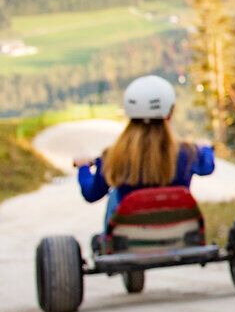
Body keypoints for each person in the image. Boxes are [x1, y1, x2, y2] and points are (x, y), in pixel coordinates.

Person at [76, 75, 216, 226]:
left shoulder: (112, 157)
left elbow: (91, 194)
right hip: (179, 232)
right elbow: (207, 166)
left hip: (130, 237)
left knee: (114, 196)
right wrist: (206, 148)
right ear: (169, 113)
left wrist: (83, 168)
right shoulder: (188, 153)